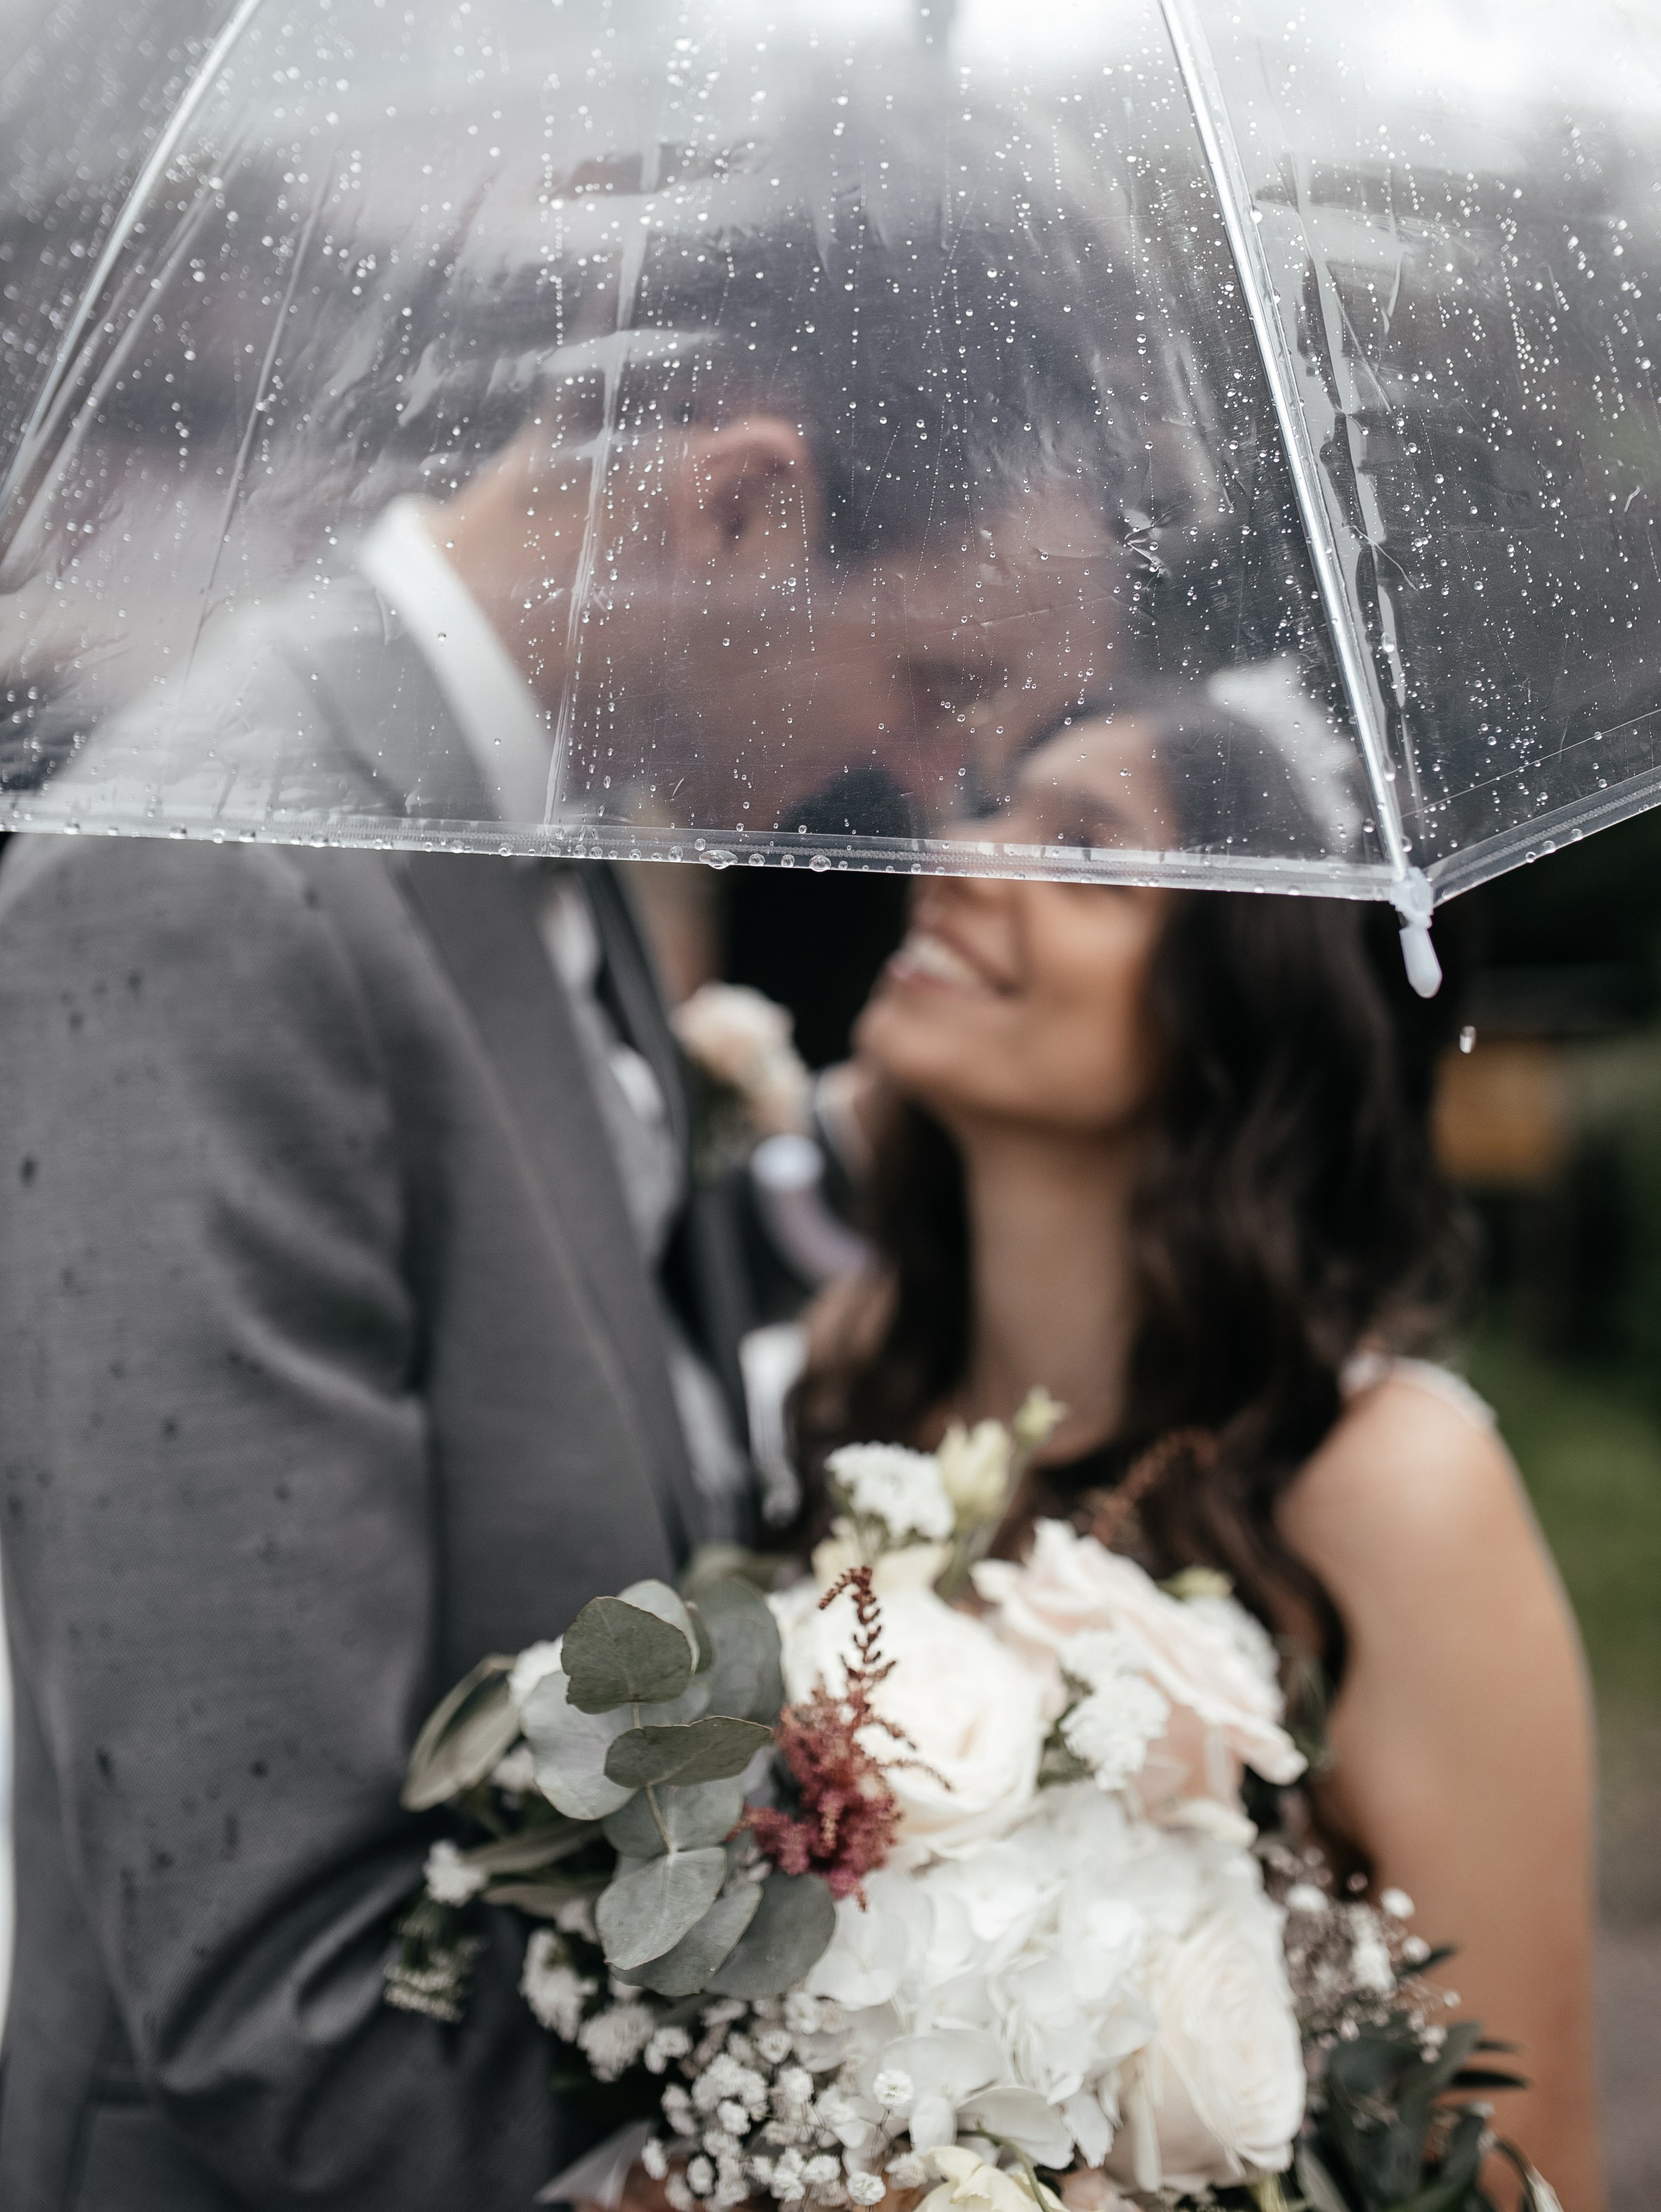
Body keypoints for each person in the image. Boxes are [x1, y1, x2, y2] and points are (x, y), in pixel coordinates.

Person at [0, 118, 1150, 2210]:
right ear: (738, 503)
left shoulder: (546, 812)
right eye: (939, 682)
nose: (940, 785)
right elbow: (277, 1984)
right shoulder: (209, 889)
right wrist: (876, 2121)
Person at [782, 701, 1603, 2212]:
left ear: (1250, 1001)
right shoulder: (831, 1386)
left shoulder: (1383, 1482)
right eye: (990, 806)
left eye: (1084, 849)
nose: (954, 854)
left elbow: (1518, 2172)